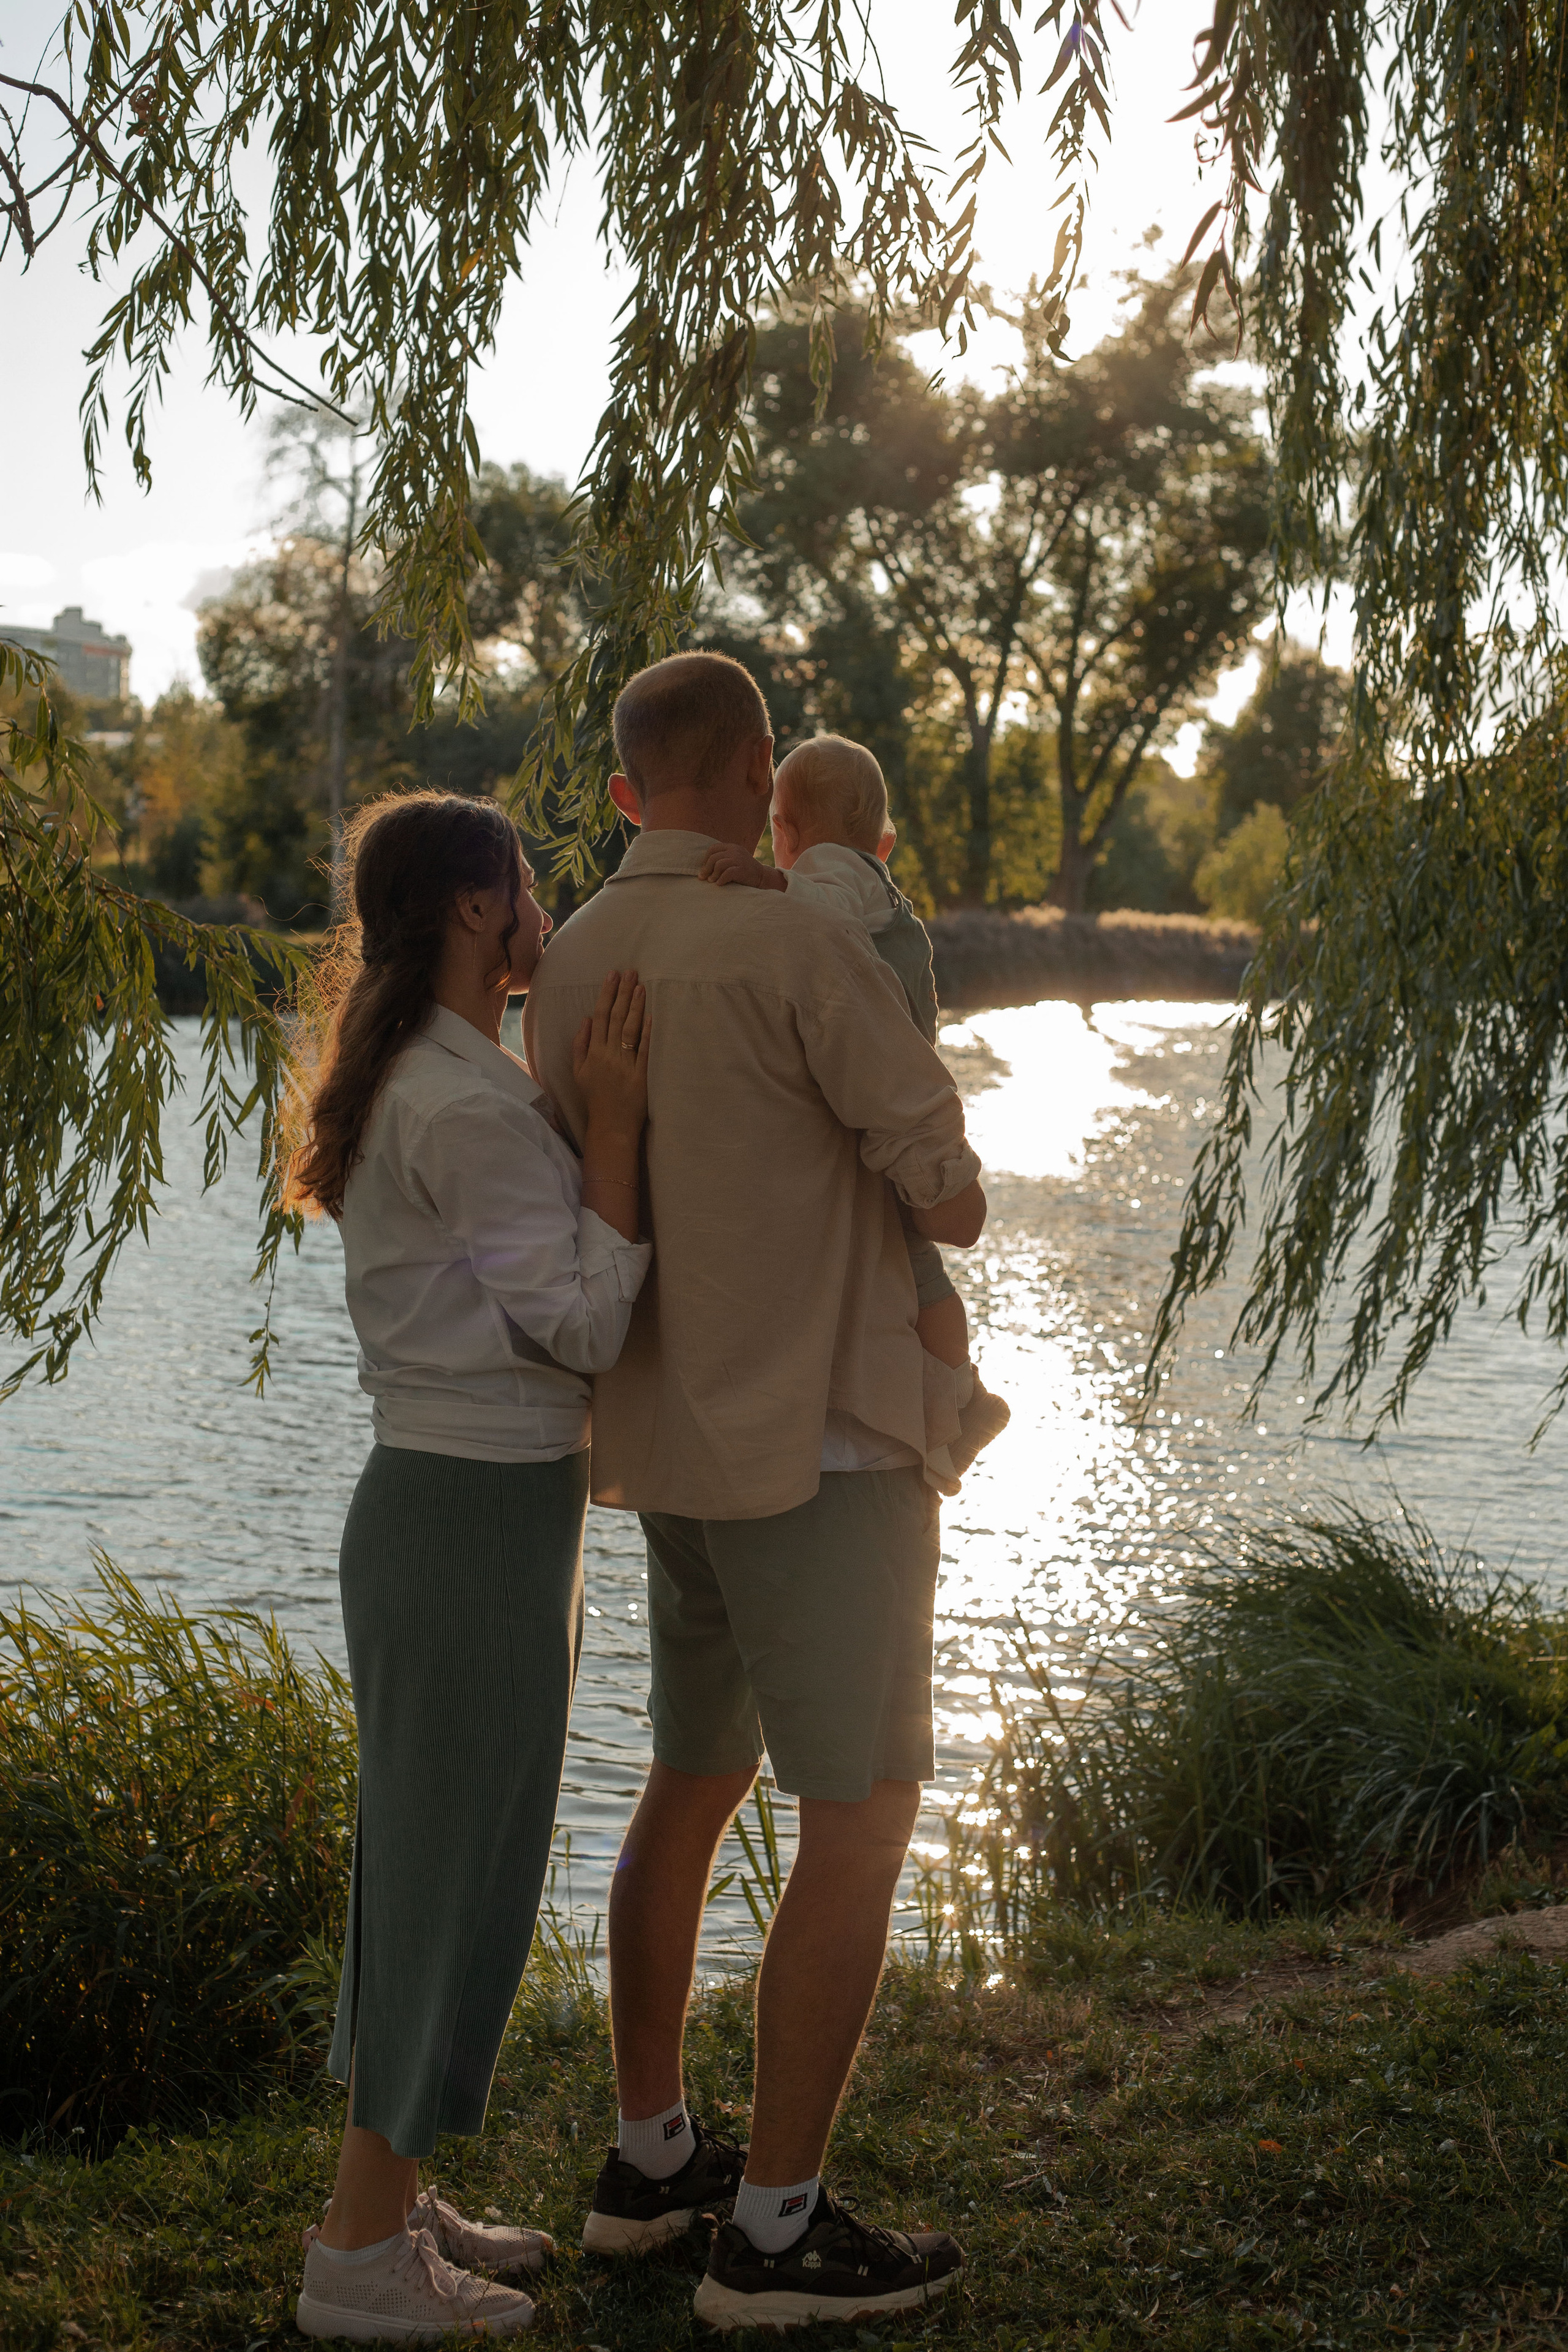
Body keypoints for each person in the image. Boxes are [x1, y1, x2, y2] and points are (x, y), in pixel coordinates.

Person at [526, 652, 984, 2333]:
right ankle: (776, 2233)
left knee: (691, 1778)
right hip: (827, 1439)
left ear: (640, 780)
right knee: (860, 1820)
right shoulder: (802, 937)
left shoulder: (569, 961)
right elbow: (950, 1194)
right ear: (759, 766)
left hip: (666, 1448)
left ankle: (654, 2164)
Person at [285, 790, 653, 2343]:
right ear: (470, 904)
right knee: (445, 1874)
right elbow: (577, 1323)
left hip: (475, 1508)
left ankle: (392, 2190)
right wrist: (618, 1135)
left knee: (449, 1859)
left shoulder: (455, 1075)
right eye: (525, 881)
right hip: (470, 1517)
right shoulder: (457, 1101)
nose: (545, 899)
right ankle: (359, 2261)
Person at [698, 730, 1009, 1485]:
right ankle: (963, 1393)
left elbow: (820, 908)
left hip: (887, 1092)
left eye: (776, 833)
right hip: (909, 1082)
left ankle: (965, 1397)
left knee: (915, 1260)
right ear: (888, 840)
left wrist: (763, 881)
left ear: (789, 832)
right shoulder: (880, 885)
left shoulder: (828, 876)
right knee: (914, 1259)